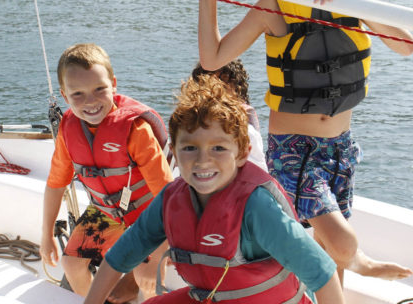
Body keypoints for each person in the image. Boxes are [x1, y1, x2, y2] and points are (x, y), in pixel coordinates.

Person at [192, 0, 413, 285]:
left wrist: (360, 5)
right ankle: (363, 261)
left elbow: (405, 45)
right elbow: (213, 59)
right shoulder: (275, 4)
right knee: (343, 243)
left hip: (339, 146)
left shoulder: (355, 1)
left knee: (332, 255)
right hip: (293, 147)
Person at [84, 75, 345, 304]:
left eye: (218, 148)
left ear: (242, 153)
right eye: (189, 148)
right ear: (173, 151)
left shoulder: (256, 208)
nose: (202, 160)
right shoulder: (170, 200)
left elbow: (323, 274)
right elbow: (117, 260)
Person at [40, 43, 173, 302]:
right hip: (106, 214)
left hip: (147, 220)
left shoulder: (135, 130)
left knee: (147, 277)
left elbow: (170, 197)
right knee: (72, 265)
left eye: (99, 89)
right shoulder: (68, 130)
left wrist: (157, 254)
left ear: (113, 84)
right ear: (64, 97)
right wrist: (46, 236)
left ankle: (136, 286)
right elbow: (56, 184)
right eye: (77, 94)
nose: (90, 101)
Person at [191, 59, 267, 171]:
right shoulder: (192, 122)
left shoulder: (246, 131)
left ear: (237, 90)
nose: (215, 95)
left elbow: (257, 169)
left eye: (223, 88)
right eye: (208, 88)